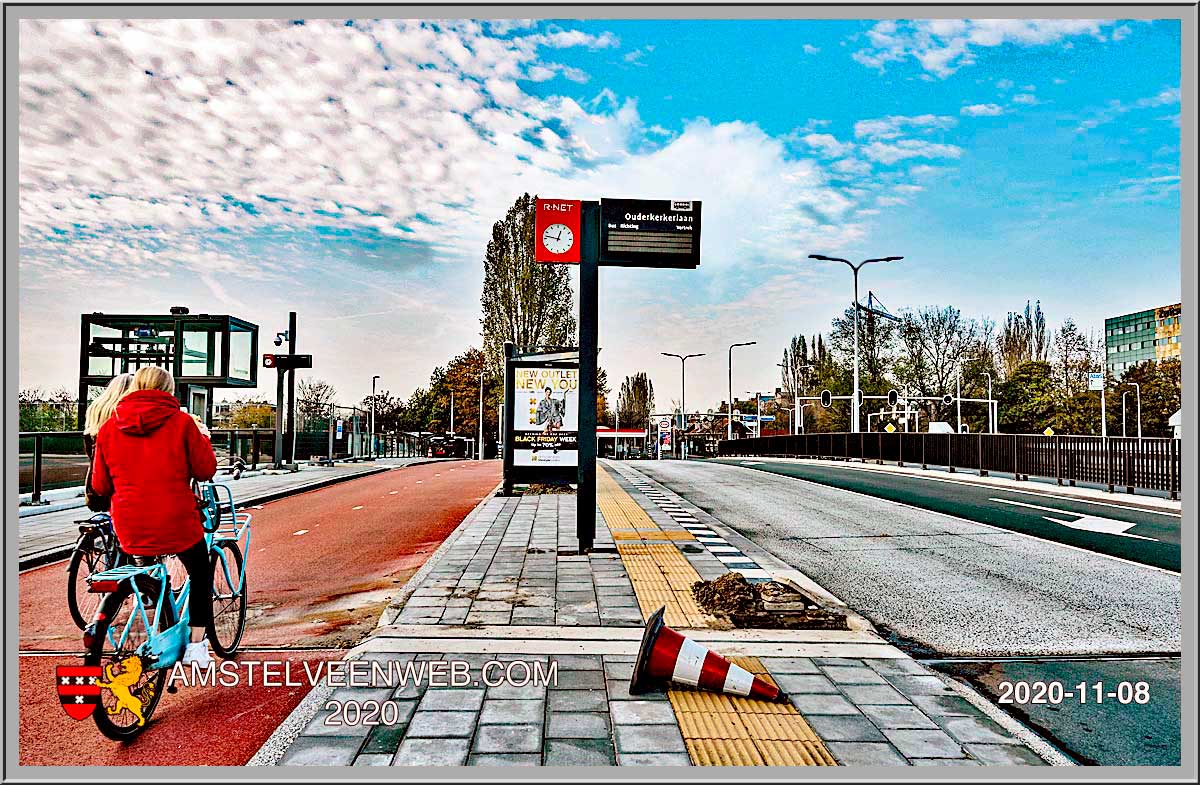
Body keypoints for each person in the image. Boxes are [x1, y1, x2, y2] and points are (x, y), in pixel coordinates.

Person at [89, 366, 218, 667]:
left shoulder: (109, 428)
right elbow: (205, 470)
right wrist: (203, 438)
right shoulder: (183, 423)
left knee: (147, 569)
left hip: (130, 523)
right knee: (200, 572)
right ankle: (197, 648)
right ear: (169, 391)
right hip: (176, 519)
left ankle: (154, 619)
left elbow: (100, 485)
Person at [82, 373, 134, 512]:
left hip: (94, 480)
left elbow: (89, 448)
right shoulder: (125, 413)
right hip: (119, 482)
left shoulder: (95, 409)